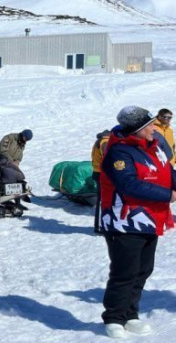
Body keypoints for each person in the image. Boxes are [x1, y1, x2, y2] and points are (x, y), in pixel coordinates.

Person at [99, 106, 176, 339]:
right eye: (150, 125)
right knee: (125, 271)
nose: (155, 128)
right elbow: (128, 185)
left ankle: (130, 314)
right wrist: (168, 195)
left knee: (143, 270)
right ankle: (114, 318)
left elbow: (169, 173)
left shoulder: (154, 147)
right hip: (124, 220)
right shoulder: (119, 152)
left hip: (151, 218)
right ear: (137, 129)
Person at [91, 129, 110, 233]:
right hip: (102, 173)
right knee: (103, 200)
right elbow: (107, 158)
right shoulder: (105, 142)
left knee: (102, 199)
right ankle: (100, 226)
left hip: (98, 172)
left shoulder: (100, 141)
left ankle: (100, 225)